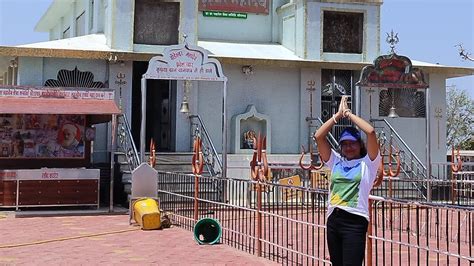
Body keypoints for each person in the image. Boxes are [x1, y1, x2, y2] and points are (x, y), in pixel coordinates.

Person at [314, 95, 381, 266]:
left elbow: (371, 132)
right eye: (344, 144)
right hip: (334, 219)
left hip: (355, 220)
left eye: (352, 143)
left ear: (360, 144)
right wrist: (337, 116)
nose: (348, 147)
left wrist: (349, 114)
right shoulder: (336, 160)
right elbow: (319, 136)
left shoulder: (369, 163)